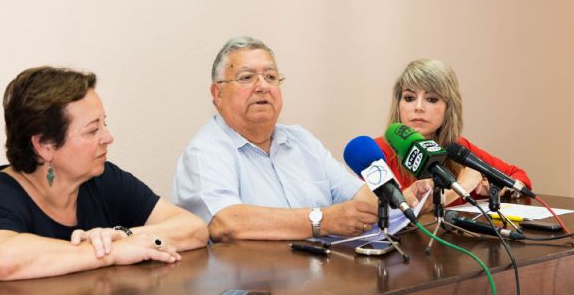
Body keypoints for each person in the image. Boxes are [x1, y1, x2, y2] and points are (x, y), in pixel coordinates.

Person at [0, 66, 209, 281]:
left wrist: (124, 235)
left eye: (104, 124)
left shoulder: (102, 178)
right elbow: (1, 259)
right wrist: (109, 253)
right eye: (92, 130)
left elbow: (194, 229)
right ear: (45, 145)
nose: (108, 138)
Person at [172, 36, 426, 243]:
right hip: (251, 289)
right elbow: (226, 222)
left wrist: (399, 202)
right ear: (217, 93)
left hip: (320, 279)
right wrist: (321, 221)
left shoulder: (300, 140)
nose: (262, 86)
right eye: (247, 77)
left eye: (271, 77)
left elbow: (357, 196)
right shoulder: (206, 151)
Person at [376, 58, 532, 205]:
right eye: (409, 98)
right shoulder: (375, 150)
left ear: (449, 108)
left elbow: (518, 176)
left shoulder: (456, 147)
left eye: (431, 99)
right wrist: (463, 186)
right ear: (398, 104)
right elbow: (387, 212)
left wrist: (499, 189)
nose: (418, 107)